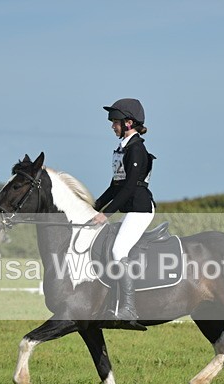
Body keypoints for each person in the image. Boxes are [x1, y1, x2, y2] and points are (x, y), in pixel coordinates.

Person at [91, 98, 156, 329]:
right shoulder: (122, 149)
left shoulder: (137, 149)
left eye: (115, 122)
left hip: (140, 209)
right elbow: (115, 186)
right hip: (129, 208)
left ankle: (128, 308)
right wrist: (93, 206)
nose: (112, 126)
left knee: (119, 250)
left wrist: (106, 214)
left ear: (128, 123)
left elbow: (129, 187)